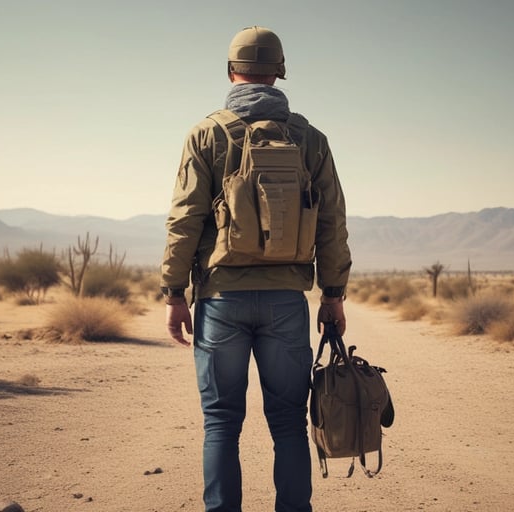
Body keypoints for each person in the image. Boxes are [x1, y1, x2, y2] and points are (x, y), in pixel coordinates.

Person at [160, 26, 351, 512]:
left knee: (221, 421)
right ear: (280, 73)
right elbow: (331, 222)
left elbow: (185, 219)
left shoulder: (206, 134)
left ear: (230, 71)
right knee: (287, 422)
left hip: (221, 301)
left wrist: (174, 293)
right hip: (287, 301)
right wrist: (333, 295)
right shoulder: (311, 139)